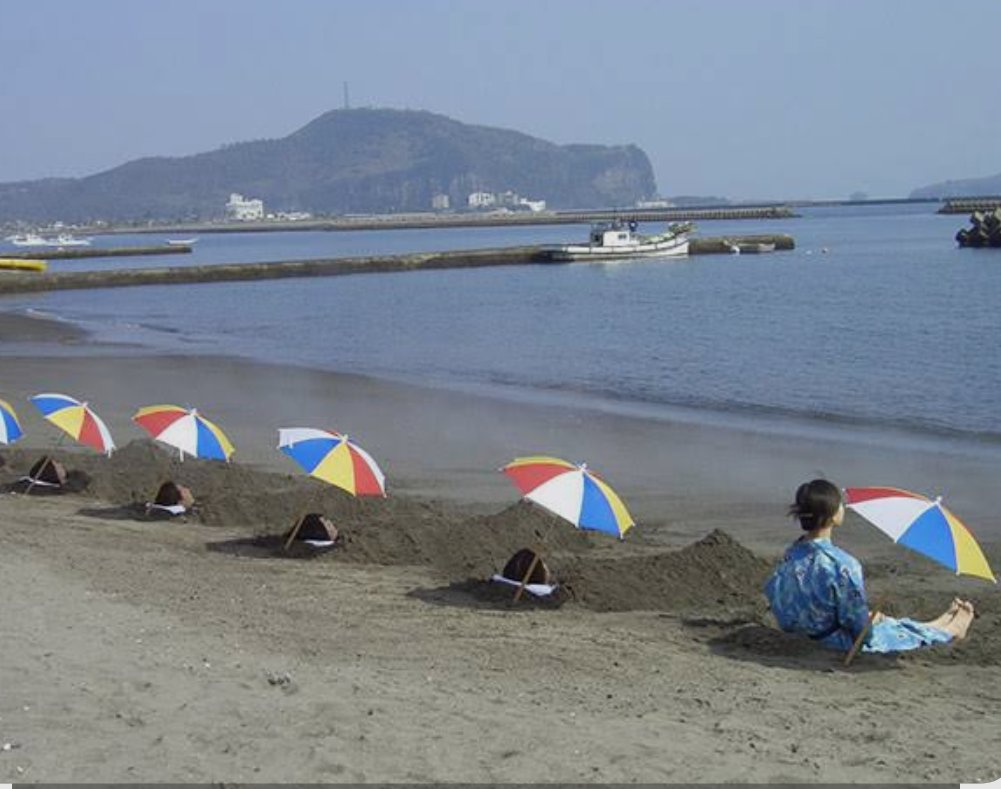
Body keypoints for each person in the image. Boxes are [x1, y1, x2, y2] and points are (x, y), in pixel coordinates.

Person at [764, 478, 974, 654]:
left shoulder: (792, 553)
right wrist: (866, 622)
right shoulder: (842, 564)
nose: (842, 507)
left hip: (805, 632)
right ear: (832, 515)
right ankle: (950, 630)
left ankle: (937, 623)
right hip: (835, 642)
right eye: (839, 504)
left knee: (884, 621)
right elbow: (860, 630)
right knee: (889, 631)